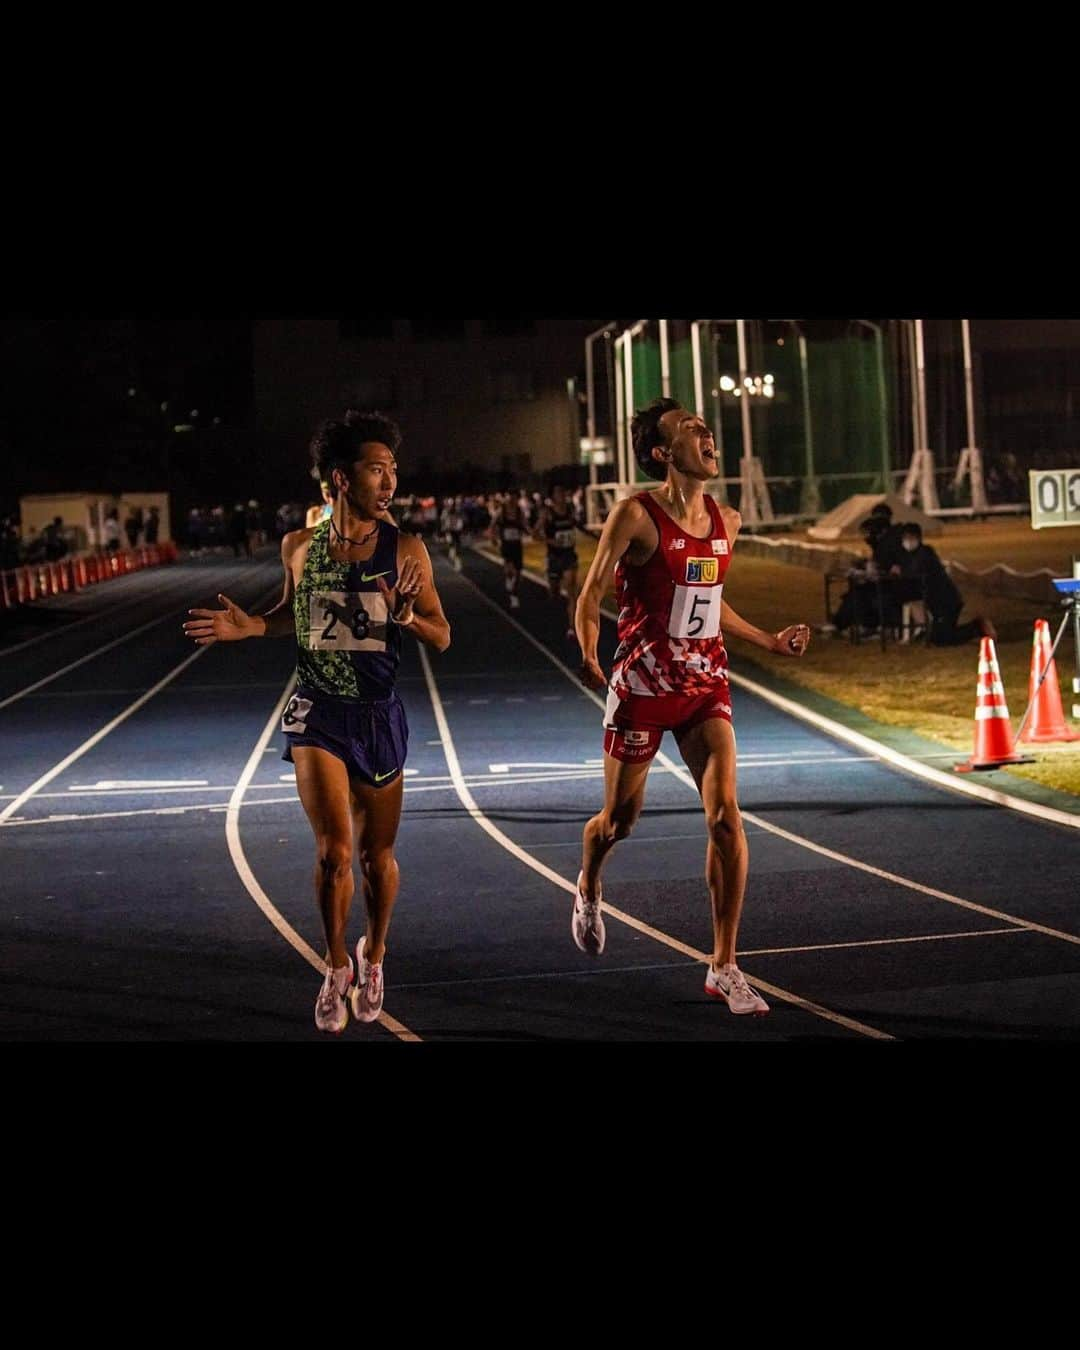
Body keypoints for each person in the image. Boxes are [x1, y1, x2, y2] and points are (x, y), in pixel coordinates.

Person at [183, 409, 451, 1034]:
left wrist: (408, 616)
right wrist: (252, 625)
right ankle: (334, 965)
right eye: (376, 469)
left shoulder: (406, 550)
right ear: (339, 477)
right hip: (317, 713)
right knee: (334, 853)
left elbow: (442, 635)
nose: (390, 481)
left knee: (376, 857)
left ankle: (374, 955)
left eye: (393, 470)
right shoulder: (297, 547)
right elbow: (291, 611)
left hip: (378, 716)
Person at [574, 398, 810, 1015]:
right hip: (643, 690)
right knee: (619, 822)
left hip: (706, 686)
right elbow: (593, 588)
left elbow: (710, 598)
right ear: (662, 453)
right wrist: (589, 641)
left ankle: (724, 965)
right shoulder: (635, 515)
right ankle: (590, 879)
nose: (705, 432)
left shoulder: (727, 519)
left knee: (726, 817)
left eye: (704, 425)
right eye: (689, 428)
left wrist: (767, 640)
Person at [890, 522, 995, 645]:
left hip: (946, 601)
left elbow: (918, 570)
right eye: (905, 538)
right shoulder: (910, 556)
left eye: (910, 538)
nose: (907, 542)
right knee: (938, 636)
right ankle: (976, 628)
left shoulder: (926, 552)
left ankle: (977, 628)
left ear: (918, 538)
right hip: (936, 603)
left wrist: (901, 571)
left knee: (942, 639)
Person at [536, 483, 580, 642]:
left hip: (569, 555)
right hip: (554, 557)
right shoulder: (547, 513)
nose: (562, 495)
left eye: (563, 492)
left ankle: (572, 628)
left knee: (572, 593)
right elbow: (535, 534)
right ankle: (550, 616)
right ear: (552, 496)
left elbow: (573, 525)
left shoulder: (570, 510)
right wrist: (551, 541)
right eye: (558, 492)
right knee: (554, 593)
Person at [491, 492, 526, 609]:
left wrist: (530, 532)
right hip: (506, 545)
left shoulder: (519, 512)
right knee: (509, 569)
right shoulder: (501, 511)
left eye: (514, 499)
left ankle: (513, 590)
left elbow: (525, 525)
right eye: (510, 499)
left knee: (518, 572)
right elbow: (493, 524)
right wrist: (493, 537)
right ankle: (513, 596)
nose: (512, 502)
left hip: (517, 544)